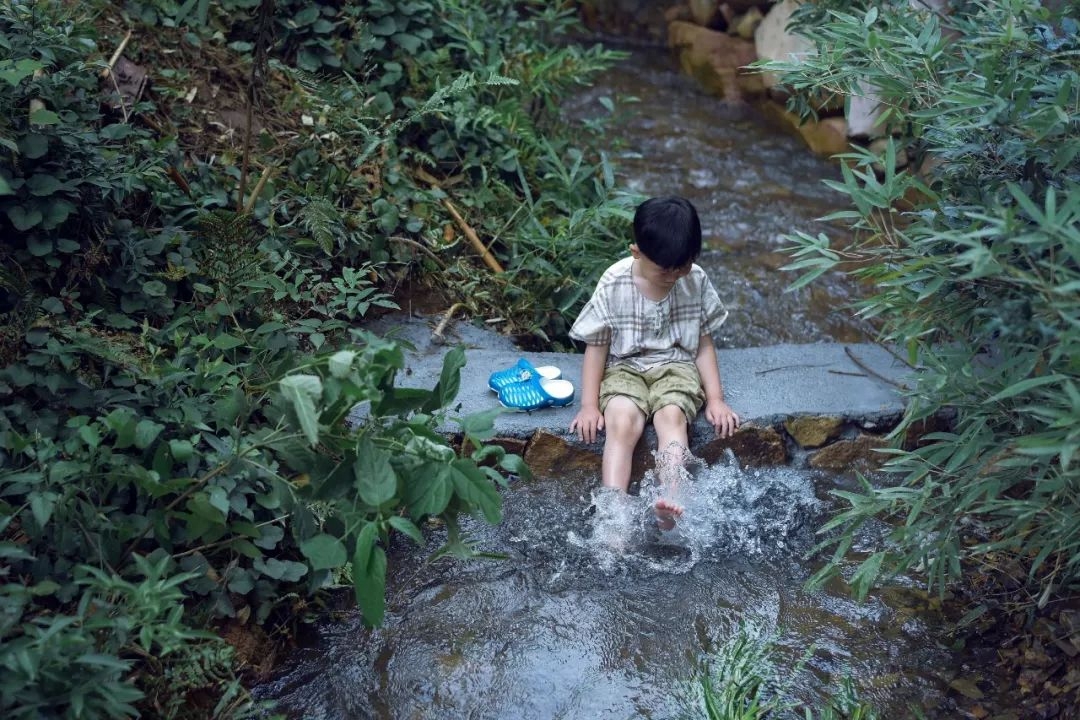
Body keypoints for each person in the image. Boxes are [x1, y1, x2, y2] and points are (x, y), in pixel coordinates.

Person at [568, 195, 740, 527]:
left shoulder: (696, 280)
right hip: (625, 365)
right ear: (637, 253)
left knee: (672, 417)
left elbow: (703, 342)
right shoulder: (614, 282)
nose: (676, 275)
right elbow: (598, 346)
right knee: (620, 419)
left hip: (675, 366)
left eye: (684, 265)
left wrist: (716, 399)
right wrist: (589, 405)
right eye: (666, 269)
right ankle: (614, 514)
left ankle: (670, 502)